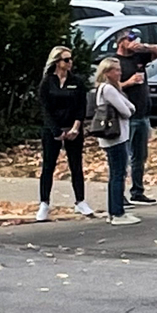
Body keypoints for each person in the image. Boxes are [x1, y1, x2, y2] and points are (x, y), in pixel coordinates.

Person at [35, 44, 94, 221]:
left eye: (70, 59)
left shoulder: (76, 82)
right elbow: (45, 109)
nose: (70, 62)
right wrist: (56, 131)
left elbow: (81, 107)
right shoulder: (47, 82)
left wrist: (76, 127)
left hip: (72, 127)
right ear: (57, 62)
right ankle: (44, 202)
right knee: (48, 166)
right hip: (53, 128)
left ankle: (80, 201)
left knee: (76, 165)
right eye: (66, 59)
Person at [113, 27, 157, 203]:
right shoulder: (114, 62)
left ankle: (137, 190)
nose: (133, 42)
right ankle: (118, 194)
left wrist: (145, 47)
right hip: (125, 116)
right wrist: (129, 82)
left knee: (140, 156)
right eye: (129, 39)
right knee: (123, 157)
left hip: (142, 114)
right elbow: (108, 89)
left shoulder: (138, 57)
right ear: (121, 42)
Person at [87, 56, 137, 224]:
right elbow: (127, 111)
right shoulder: (108, 90)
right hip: (115, 137)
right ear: (107, 72)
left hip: (115, 138)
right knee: (118, 174)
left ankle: (115, 211)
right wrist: (129, 108)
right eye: (116, 70)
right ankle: (117, 212)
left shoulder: (109, 89)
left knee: (116, 174)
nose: (120, 72)